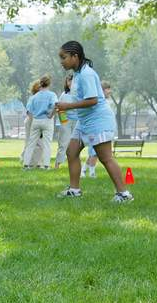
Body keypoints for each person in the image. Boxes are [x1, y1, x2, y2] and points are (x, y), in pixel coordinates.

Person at [56, 41, 132, 202]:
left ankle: (123, 194)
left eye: (64, 57)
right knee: (71, 152)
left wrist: (67, 106)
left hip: (98, 121)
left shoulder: (86, 74)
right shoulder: (77, 74)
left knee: (105, 158)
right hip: (84, 121)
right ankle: (74, 190)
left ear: (75, 56)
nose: (61, 61)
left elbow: (93, 101)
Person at [23, 75, 57, 170]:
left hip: (36, 120)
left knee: (31, 143)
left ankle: (26, 165)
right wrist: (51, 115)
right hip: (47, 120)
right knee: (46, 144)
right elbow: (56, 105)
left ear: (40, 84)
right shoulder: (52, 95)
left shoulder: (34, 97)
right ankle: (46, 165)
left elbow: (29, 111)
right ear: (49, 84)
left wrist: (33, 120)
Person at [80, 80, 112, 178]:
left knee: (93, 153)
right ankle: (92, 173)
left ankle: (83, 170)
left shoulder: (105, 102)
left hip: (101, 129)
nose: (110, 91)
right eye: (107, 89)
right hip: (96, 130)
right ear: (101, 90)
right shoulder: (98, 101)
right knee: (94, 153)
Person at [55, 74, 78, 169]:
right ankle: (57, 164)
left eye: (73, 81)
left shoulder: (79, 94)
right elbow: (58, 108)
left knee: (75, 144)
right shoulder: (64, 95)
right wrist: (63, 121)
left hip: (77, 121)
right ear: (66, 82)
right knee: (63, 143)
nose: (71, 83)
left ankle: (74, 164)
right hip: (66, 122)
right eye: (69, 81)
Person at [21, 80, 44, 166]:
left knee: (39, 144)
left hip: (37, 121)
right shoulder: (33, 98)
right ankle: (30, 162)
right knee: (33, 143)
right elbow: (29, 112)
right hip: (31, 121)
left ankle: (36, 162)